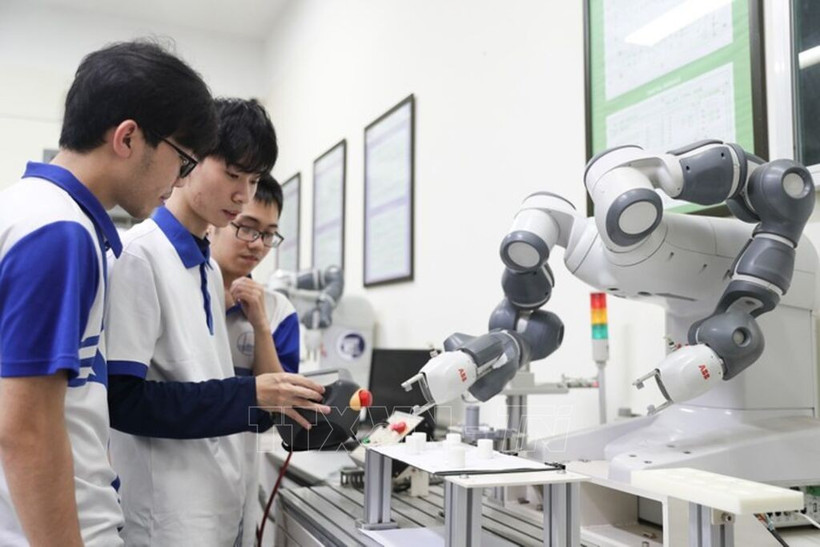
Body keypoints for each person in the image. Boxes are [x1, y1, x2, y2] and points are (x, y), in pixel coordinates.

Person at [0, 40, 217, 547]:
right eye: (183, 161)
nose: (178, 182)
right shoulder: (59, 231)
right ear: (127, 138)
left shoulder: (24, 209)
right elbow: (26, 431)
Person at [105, 98, 329, 546]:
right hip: (164, 517)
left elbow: (199, 381)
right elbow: (123, 401)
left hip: (215, 505)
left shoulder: (206, 266)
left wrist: (262, 400)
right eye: (232, 174)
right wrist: (249, 394)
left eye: (253, 180)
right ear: (189, 159)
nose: (243, 194)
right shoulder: (140, 255)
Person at [210, 172, 299, 546]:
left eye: (268, 234)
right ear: (218, 219)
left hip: (239, 471)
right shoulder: (183, 291)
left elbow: (281, 405)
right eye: (247, 228)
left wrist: (260, 325)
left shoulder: (279, 311)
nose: (258, 245)